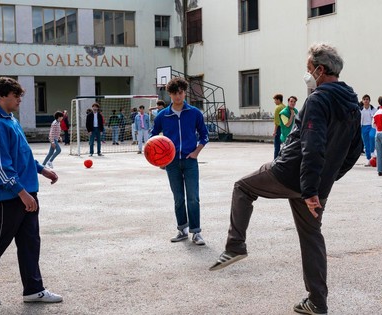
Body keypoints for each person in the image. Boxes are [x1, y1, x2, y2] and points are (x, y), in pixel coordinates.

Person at [209, 43, 362, 315]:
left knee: (243, 187)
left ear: (321, 69)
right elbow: (355, 149)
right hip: (314, 184)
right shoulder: (352, 103)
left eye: (309, 69)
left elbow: (312, 145)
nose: (308, 74)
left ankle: (235, 246)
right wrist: (327, 179)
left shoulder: (318, 99)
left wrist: (311, 188)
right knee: (311, 236)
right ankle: (317, 301)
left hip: (291, 174)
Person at [0, 77, 62, 307]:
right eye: (15, 95)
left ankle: (33, 289)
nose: (19, 99)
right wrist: (21, 192)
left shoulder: (11, 120)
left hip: (25, 191)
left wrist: (41, 169)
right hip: (8, 195)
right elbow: (1, 165)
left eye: (20, 95)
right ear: (1, 96)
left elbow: (22, 154)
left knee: (29, 241)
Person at [151, 77, 209, 246]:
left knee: (193, 197)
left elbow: (204, 135)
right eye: (175, 93)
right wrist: (159, 160)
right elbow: (153, 138)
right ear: (169, 94)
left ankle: (196, 232)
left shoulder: (195, 113)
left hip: (190, 161)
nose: (178, 96)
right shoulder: (163, 115)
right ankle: (182, 229)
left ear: (185, 93)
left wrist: (197, 152)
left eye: (181, 93)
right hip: (172, 163)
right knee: (178, 198)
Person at [360, 94, 376, 166]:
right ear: (363, 101)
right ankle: (368, 158)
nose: (366, 101)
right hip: (363, 127)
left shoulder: (373, 109)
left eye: (367, 99)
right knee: (366, 143)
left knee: (372, 136)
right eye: (365, 99)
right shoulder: (360, 110)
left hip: (372, 126)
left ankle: (373, 152)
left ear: (369, 101)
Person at [272, 94, 286, 159]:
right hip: (285, 128)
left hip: (279, 128)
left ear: (278, 100)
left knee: (277, 145)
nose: (274, 102)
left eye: (275, 100)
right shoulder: (285, 107)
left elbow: (277, 121)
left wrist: (274, 131)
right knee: (285, 144)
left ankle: (276, 159)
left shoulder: (278, 108)